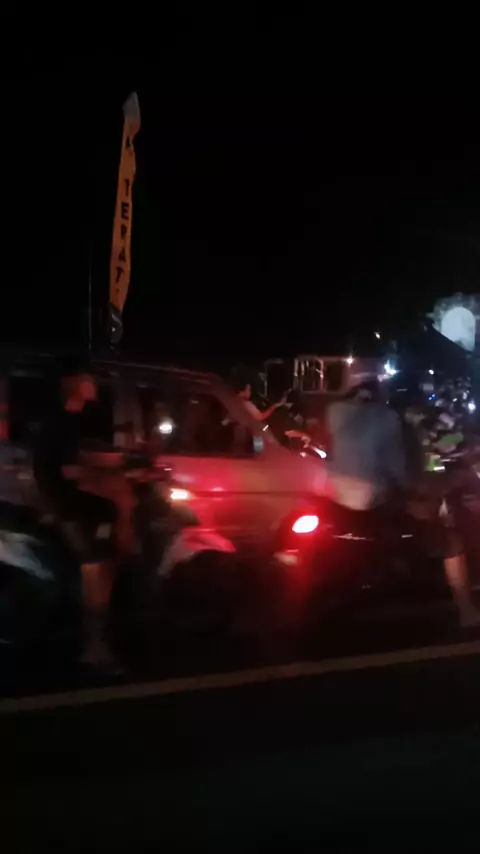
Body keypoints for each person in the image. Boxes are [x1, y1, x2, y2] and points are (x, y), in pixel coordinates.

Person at [34, 365, 117, 668]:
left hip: (75, 507)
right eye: (87, 381)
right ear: (75, 388)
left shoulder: (73, 422)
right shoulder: (61, 425)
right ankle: (94, 648)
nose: (93, 384)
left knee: (102, 566)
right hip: (69, 509)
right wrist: (110, 473)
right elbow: (68, 470)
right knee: (94, 569)